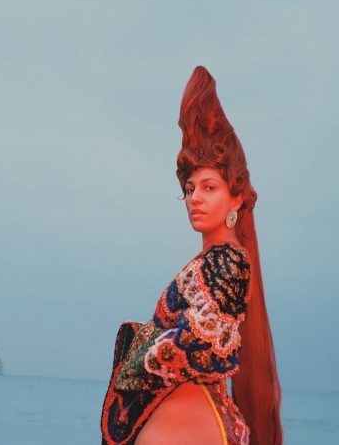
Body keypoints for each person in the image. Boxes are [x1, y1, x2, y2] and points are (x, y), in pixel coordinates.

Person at [100, 66, 283, 444]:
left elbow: (202, 342)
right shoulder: (208, 263)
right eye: (189, 188)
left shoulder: (230, 262)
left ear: (236, 198)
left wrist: (136, 357)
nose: (195, 198)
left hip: (194, 427)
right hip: (185, 425)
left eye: (209, 187)